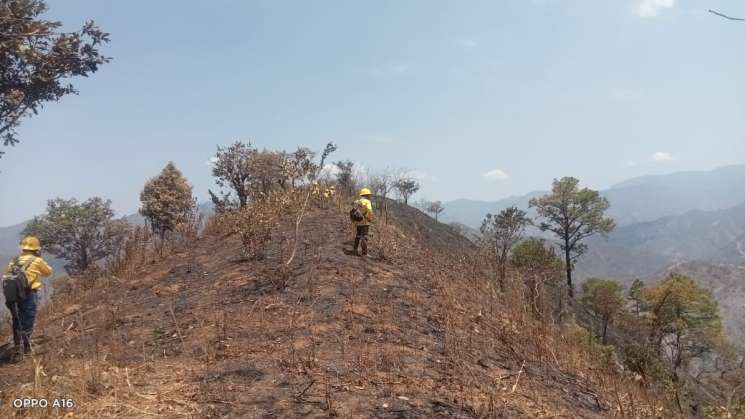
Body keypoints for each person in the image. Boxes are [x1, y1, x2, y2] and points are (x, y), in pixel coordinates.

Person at [4, 236, 53, 360]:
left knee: (17, 320)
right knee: (28, 320)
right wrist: (40, 258)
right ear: (36, 249)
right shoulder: (36, 260)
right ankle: (25, 350)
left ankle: (17, 347)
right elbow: (48, 272)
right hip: (29, 294)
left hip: (14, 296)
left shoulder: (13, 261)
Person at [352, 188, 374, 256]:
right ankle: (364, 253)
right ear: (367, 195)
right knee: (364, 237)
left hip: (358, 222)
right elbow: (370, 211)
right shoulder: (367, 202)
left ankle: (355, 249)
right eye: (369, 195)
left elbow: (353, 211)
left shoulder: (357, 201)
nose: (369, 196)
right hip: (365, 222)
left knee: (358, 236)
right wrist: (370, 218)